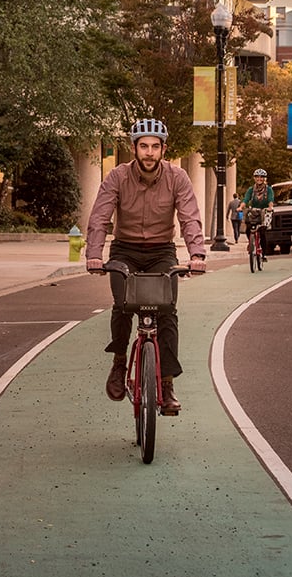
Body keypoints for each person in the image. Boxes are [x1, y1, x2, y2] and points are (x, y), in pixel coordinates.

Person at [85, 118, 206, 414]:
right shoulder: (117, 176)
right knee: (122, 306)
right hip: (125, 250)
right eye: (143, 146)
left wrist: (197, 254)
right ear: (134, 148)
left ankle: (166, 385)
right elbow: (100, 216)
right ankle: (119, 364)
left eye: (155, 146)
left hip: (161, 251)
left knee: (167, 312)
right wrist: (94, 254)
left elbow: (189, 217)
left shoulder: (177, 177)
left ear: (163, 149)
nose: (149, 152)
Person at [242, 168, 275, 259]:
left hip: (265, 211)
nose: (259, 179)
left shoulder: (268, 190)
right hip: (254, 211)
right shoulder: (251, 189)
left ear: (264, 179)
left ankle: (263, 253)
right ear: (254, 178)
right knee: (248, 228)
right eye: (257, 177)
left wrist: (270, 207)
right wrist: (241, 207)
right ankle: (251, 243)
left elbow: (270, 200)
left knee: (262, 231)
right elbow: (246, 199)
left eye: (261, 177)